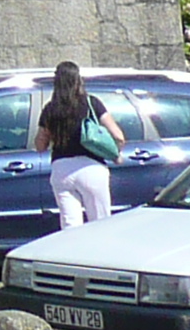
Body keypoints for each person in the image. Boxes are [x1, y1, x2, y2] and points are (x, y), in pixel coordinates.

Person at [32, 59, 124, 227]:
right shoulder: (91, 103)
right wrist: (116, 154)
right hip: (92, 169)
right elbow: (118, 136)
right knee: (101, 224)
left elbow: (40, 145)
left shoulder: (50, 109)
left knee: (70, 226)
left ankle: (72, 252)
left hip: (62, 170)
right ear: (78, 80)